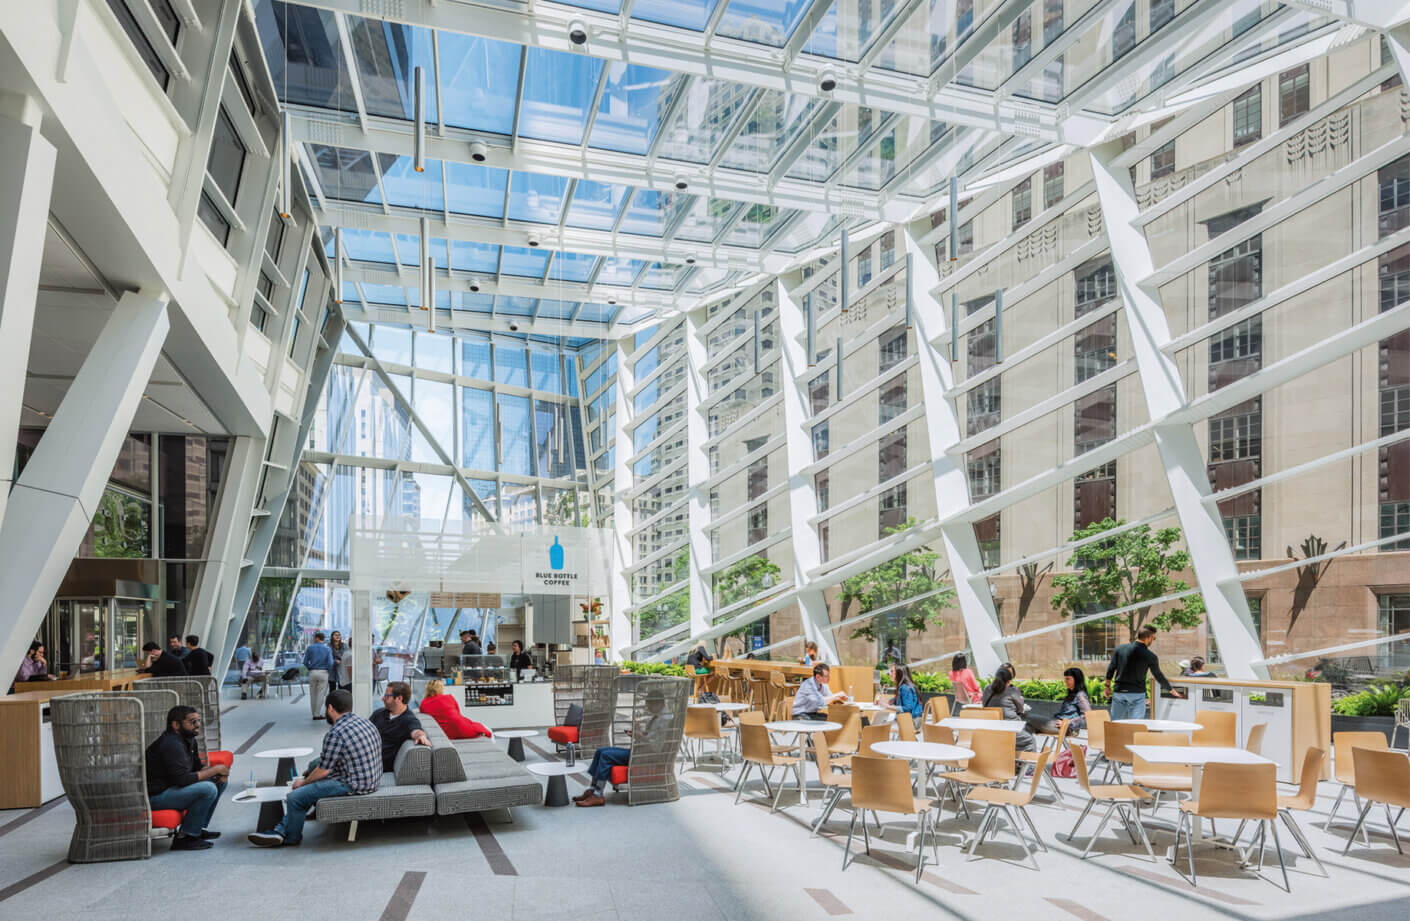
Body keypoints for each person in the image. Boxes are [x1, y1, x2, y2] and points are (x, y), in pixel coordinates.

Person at [248, 690, 382, 848]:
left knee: (295, 797)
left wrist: (303, 783)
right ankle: (281, 830)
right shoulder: (365, 722)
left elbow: (324, 771)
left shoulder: (336, 733)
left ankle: (291, 837)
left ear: (330, 708)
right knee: (312, 773)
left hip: (353, 785)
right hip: (371, 779)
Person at [147, 705, 228, 850]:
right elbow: (183, 780)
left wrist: (217, 774)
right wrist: (215, 769)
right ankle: (186, 837)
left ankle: (197, 829)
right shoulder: (171, 744)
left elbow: (197, 769)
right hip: (155, 796)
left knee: (217, 783)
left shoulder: (189, 739)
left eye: (198, 721)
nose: (197, 725)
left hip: (171, 788)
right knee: (208, 788)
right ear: (176, 725)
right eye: (192, 722)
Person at [575, 688, 674, 807]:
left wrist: (639, 736)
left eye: (650, 705)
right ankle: (592, 790)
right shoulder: (659, 716)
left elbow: (656, 747)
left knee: (606, 755)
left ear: (659, 704)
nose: (648, 708)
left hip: (645, 756)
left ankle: (597, 795)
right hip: (640, 751)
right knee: (600, 751)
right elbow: (651, 737)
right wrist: (638, 734)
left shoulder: (665, 720)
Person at [1104, 625, 1184, 720]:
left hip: (1119, 692)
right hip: (1137, 694)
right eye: (1153, 638)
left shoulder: (1120, 649)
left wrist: (1107, 687)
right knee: (1136, 725)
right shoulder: (1150, 656)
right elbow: (1158, 675)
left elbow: (1111, 669)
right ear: (1148, 638)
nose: (1152, 641)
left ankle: (1113, 735)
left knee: (1114, 723)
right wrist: (1171, 689)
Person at [370, 681, 431, 771]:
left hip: (377, 766)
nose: (383, 698)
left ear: (399, 698)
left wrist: (421, 736)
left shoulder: (408, 720)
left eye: (387, 696)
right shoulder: (379, 713)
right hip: (364, 757)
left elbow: (416, 730)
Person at [981, 665, 1036, 752]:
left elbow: (984, 705)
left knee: (1025, 731)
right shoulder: (1012, 690)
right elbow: (1020, 709)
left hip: (990, 728)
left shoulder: (987, 688)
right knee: (1030, 740)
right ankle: (1028, 765)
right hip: (1009, 729)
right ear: (1009, 680)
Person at [418, 679, 491, 740]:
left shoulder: (424, 704)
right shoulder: (449, 697)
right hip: (461, 728)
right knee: (485, 728)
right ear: (440, 689)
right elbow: (458, 714)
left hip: (444, 732)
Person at [1026, 667, 1091, 736]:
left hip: (1065, 728)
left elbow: (1088, 715)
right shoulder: (1072, 694)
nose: (1065, 681)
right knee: (1026, 727)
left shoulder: (1080, 695)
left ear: (1076, 679)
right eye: (1065, 678)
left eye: (1068, 679)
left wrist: (1068, 723)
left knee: (1027, 717)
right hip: (1057, 724)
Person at [303, 632, 334, 721]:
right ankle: (317, 714)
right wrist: (327, 670)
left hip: (313, 672)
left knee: (313, 694)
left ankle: (314, 713)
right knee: (321, 694)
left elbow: (305, 662)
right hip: (323, 672)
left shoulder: (310, 648)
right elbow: (331, 662)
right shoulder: (327, 649)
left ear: (316, 638)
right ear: (322, 639)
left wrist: (310, 668)